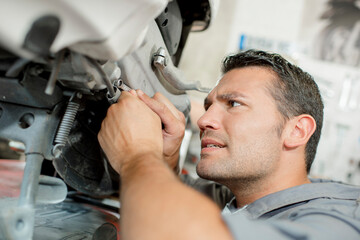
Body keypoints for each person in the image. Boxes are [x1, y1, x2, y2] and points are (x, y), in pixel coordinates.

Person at [98, 49, 360, 239]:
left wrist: (138, 155)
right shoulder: (238, 197)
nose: (204, 120)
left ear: (297, 131)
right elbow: (168, 199)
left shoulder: (341, 222)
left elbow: (168, 231)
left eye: (234, 104)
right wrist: (167, 156)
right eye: (209, 106)